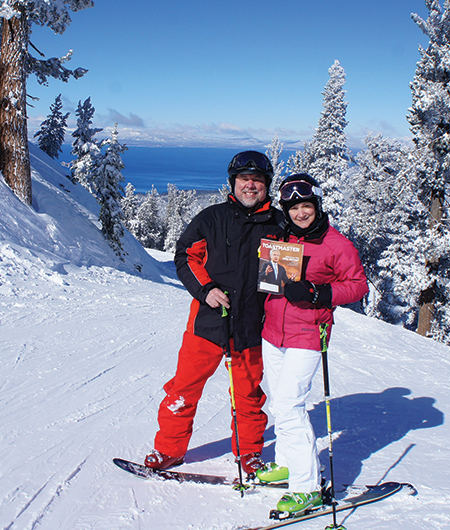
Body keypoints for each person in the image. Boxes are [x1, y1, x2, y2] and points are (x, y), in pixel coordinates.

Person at [144, 151, 281, 476]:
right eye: (244, 180)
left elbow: (280, 283)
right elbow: (186, 257)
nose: (251, 186)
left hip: (250, 328)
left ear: (266, 186)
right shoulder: (212, 218)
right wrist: (206, 291)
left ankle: (249, 456)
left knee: (248, 397)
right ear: (233, 183)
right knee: (183, 390)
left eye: (257, 181)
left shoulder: (278, 225)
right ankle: (168, 450)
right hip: (206, 325)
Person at [255, 174, 369, 514]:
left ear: (316, 206)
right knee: (278, 401)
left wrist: (320, 293)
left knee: (291, 406)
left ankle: (306, 487)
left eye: (306, 206)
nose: (300, 213)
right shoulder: (281, 238)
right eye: (293, 208)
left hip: (308, 333)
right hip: (273, 332)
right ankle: (288, 464)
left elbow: (358, 285)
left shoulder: (336, 244)